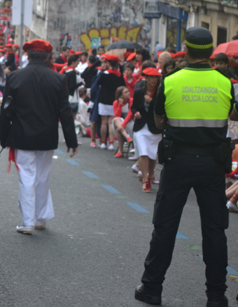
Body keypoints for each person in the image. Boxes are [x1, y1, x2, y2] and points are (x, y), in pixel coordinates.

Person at [135, 27, 237, 307]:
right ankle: (216, 295)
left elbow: (158, 122)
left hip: (177, 162)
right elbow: (233, 116)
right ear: (211, 52)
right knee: (215, 231)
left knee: (165, 227)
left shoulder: (170, 81)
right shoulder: (224, 82)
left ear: (187, 50)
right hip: (213, 165)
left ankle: (151, 288)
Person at [0, 39, 78, 235]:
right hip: (46, 135)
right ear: (48, 56)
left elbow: (5, 110)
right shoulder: (58, 79)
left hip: (22, 134)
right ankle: (40, 217)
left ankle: (28, 222)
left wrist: (3, 136)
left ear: (27, 55)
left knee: (26, 177)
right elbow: (65, 111)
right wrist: (71, 140)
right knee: (43, 177)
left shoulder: (15, 77)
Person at [131, 67, 163, 192]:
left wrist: (152, 101)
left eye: (156, 77)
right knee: (144, 152)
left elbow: (162, 109)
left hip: (154, 127)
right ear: (147, 78)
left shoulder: (160, 92)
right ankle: (145, 179)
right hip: (141, 126)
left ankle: (150, 175)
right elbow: (133, 107)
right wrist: (136, 113)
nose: (153, 80)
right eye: (151, 77)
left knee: (153, 154)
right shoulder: (139, 91)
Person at [97, 54, 126, 150]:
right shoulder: (119, 75)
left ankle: (102, 142)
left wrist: (102, 70)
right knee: (110, 123)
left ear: (108, 63)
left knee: (103, 122)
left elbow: (98, 82)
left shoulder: (104, 74)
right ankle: (111, 143)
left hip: (103, 99)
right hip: (114, 100)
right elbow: (122, 84)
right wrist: (121, 67)